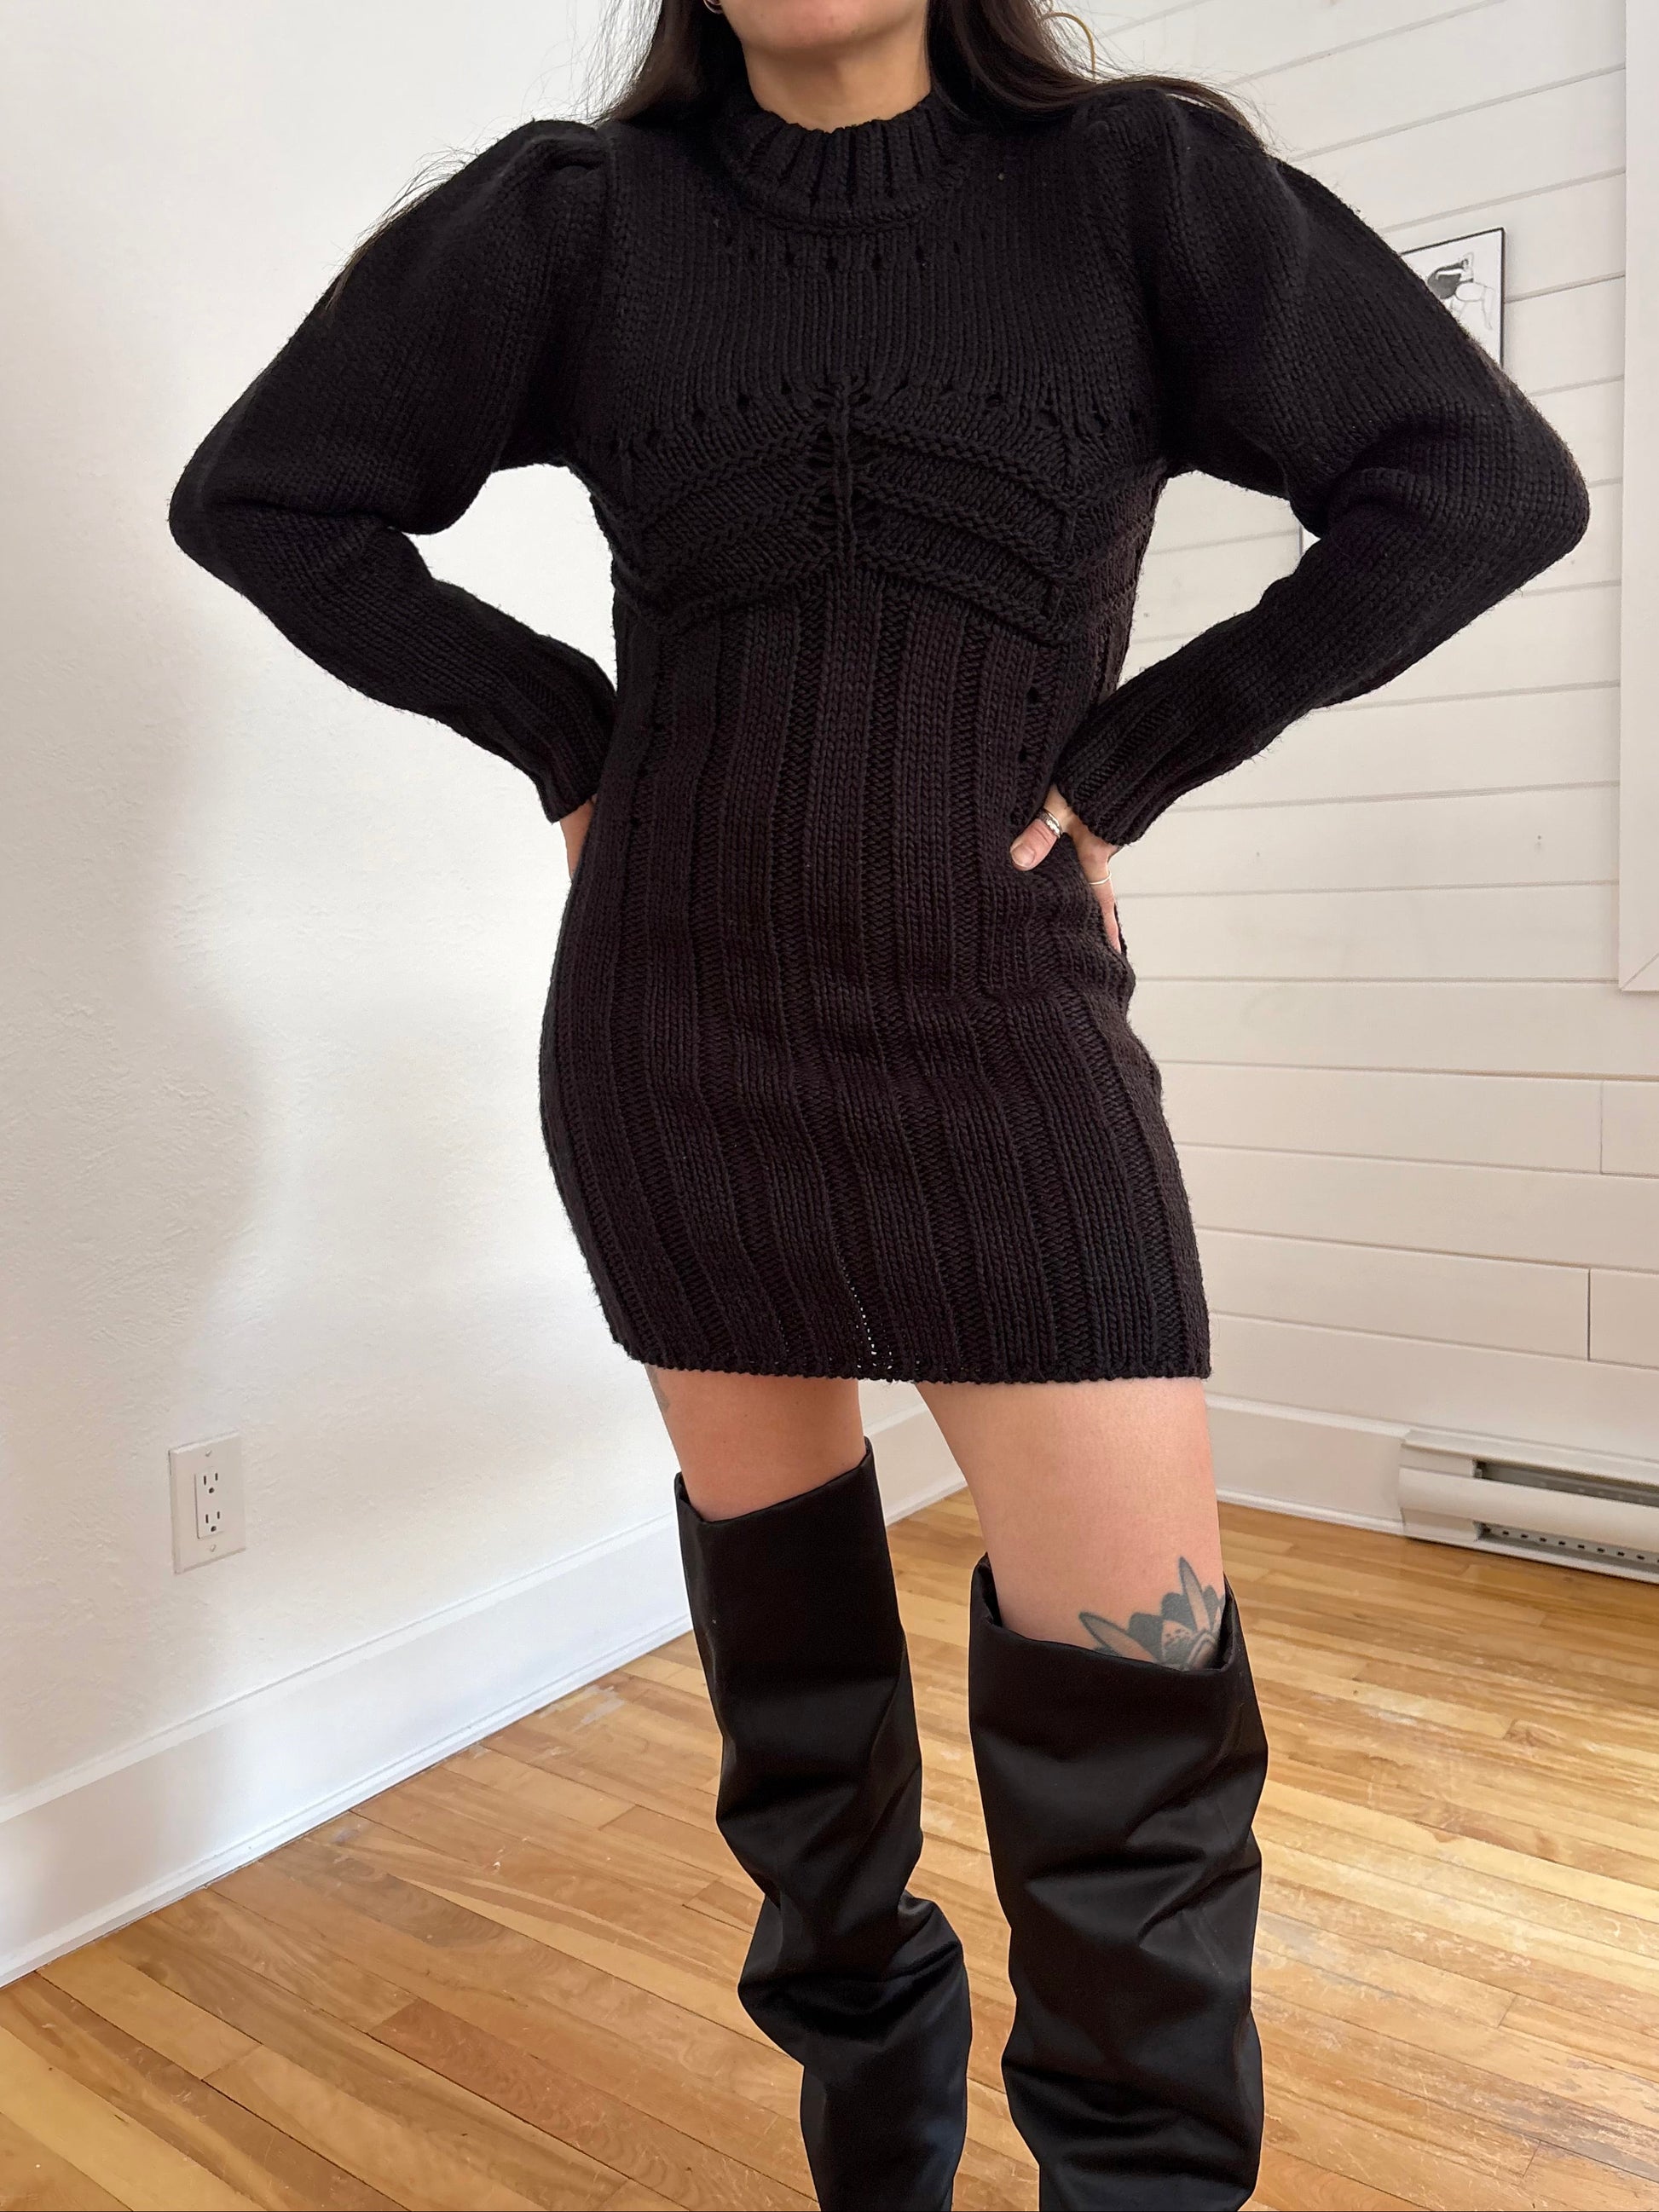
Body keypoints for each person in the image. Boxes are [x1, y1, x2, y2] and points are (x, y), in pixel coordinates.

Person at [166, 0, 1591, 2203]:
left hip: (1004, 1033)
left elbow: (1481, 483)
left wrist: (1137, 758)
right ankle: (877, 2141)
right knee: (798, 1715)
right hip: (673, 1036)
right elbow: (263, 497)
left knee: (1139, 1739)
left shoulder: (1137, 191)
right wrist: (564, 733)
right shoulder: (578, 220)